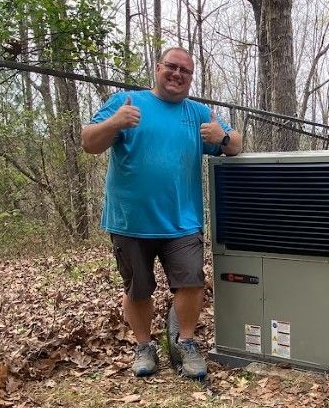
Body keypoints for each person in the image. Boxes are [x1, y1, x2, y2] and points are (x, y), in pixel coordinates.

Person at [81, 46, 242, 380]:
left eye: (186, 71)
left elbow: (236, 145)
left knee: (192, 282)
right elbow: (89, 142)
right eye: (172, 67)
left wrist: (222, 136)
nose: (178, 74)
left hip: (182, 221)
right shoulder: (127, 102)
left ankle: (185, 342)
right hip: (130, 220)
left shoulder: (198, 113)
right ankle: (144, 346)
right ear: (157, 68)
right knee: (138, 289)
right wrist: (115, 122)